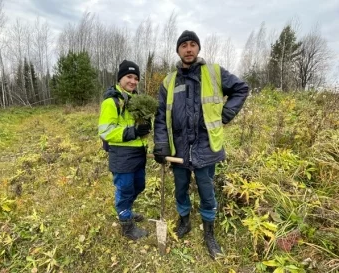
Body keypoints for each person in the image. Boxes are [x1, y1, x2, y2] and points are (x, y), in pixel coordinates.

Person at [153, 30, 249, 259]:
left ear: (198, 48)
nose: (188, 49)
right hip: (178, 148)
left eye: (192, 44)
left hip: (206, 146)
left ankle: (209, 232)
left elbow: (241, 88)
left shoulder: (214, 73)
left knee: (207, 191)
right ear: (178, 50)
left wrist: (226, 114)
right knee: (180, 188)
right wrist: (160, 144)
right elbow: (160, 115)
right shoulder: (168, 81)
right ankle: (184, 221)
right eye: (184, 45)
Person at [98, 60, 151, 241]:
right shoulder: (112, 102)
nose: (133, 81)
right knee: (125, 189)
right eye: (129, 76)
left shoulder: (137, 100)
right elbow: (105, 131)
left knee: (140, 185)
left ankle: (126, 208)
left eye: (136, 78)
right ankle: (126, 225)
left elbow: (140, 126)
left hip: (138, 154)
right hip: (121, 156)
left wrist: (145, 126)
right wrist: (133, 132)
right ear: (120, 78)